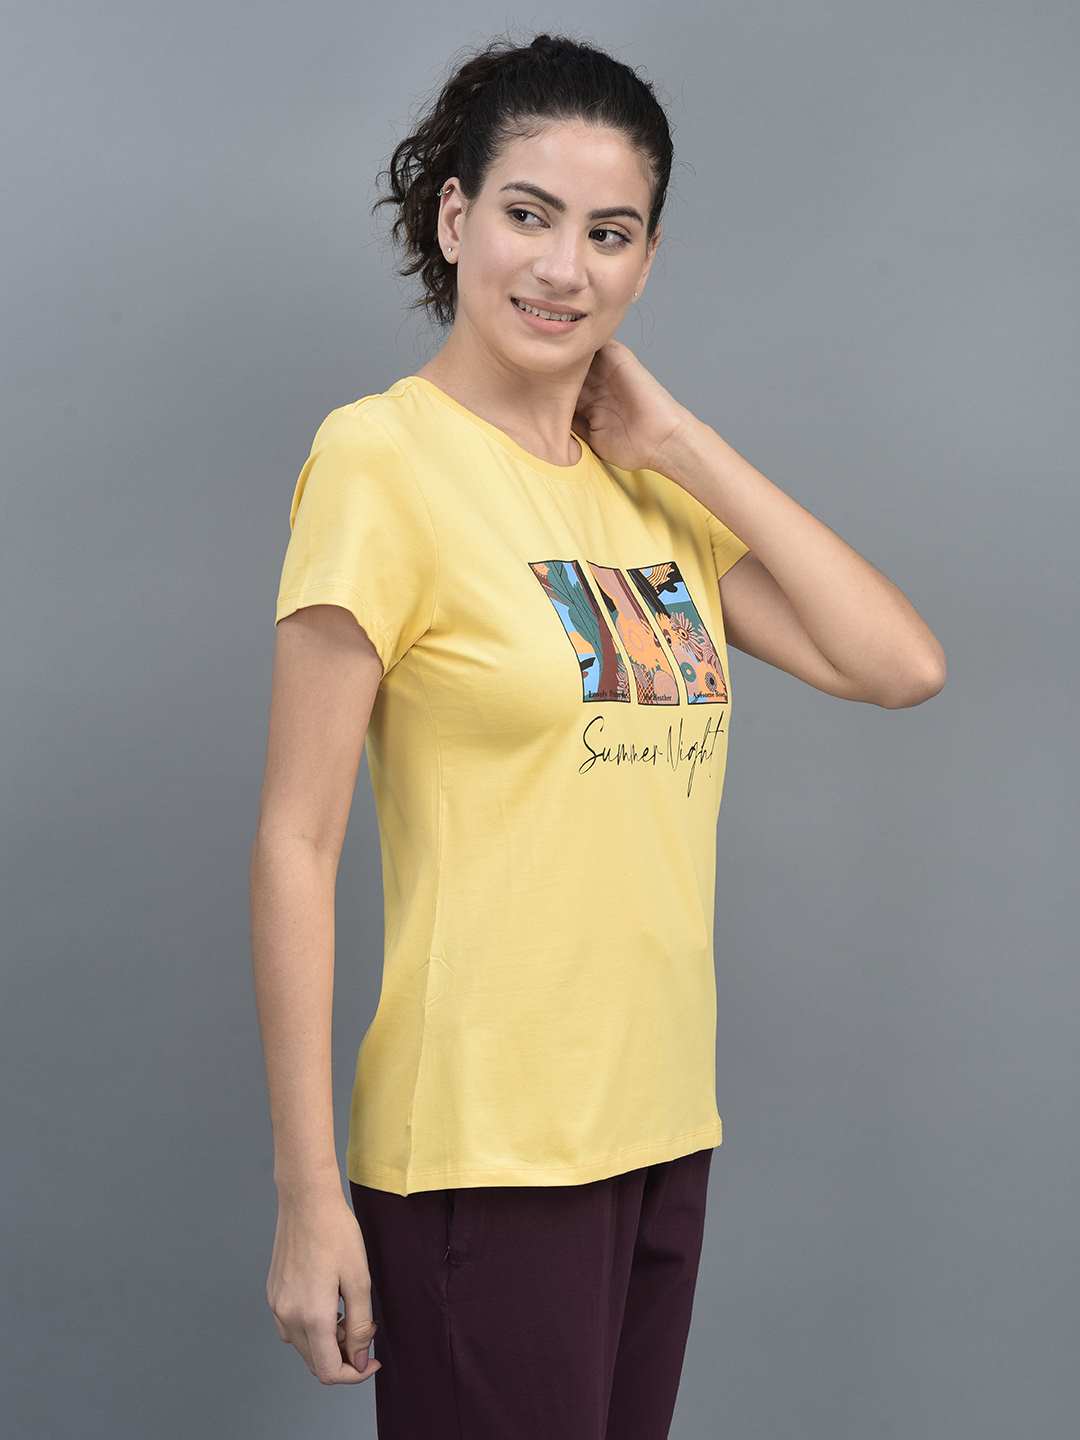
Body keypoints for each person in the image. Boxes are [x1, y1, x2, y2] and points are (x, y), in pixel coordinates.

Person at [249, 30, 946, 1440]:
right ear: (455, 219)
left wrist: (677, 442)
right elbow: (294, 841)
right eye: (529, 214)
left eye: (609, 233)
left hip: (660, 1131)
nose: (564, 267)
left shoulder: (646, 494)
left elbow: (899, 665)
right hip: (487, 1149)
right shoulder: (382, 460)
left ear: (646, 260)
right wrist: (309, 1195)